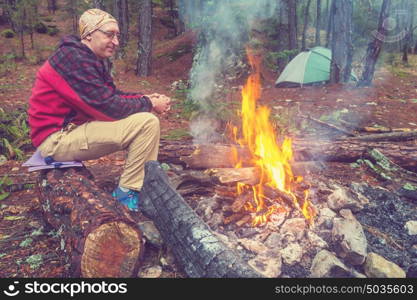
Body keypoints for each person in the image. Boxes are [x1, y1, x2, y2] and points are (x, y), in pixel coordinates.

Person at [28, 8, 171, 211]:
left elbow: (111, 95)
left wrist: (147, 98)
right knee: (146, 123)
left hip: (66, 132)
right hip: (55, 141)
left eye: (117, 36)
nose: (116, 42)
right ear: (88, 35)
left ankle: (140, 187)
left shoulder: (85, 57)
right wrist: (148, 104)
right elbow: (108, 108)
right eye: (109, 34)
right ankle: (127, 194)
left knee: (145, 118)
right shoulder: (75, 60)